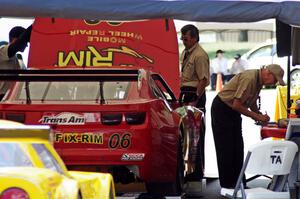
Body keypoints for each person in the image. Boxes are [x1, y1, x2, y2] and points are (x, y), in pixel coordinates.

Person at [211, 64, 285, 189]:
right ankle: (228, 186)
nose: (275, 83)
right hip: (222, 109)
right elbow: (237, 105)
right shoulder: (250, 78)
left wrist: (258, 114)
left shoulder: (258, 81)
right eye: (275, 79)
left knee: (238, 148)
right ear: (268, 74)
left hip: (231, 110)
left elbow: (252, 102)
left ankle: (239, 184)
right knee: (226, 149)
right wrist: (256, 117)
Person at [179, 24, 210, 180]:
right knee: (186, 135)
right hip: (186, 94)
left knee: (195, 135)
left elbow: (203, 80)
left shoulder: (199, 55)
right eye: (182, 38)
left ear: (194, 38)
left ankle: (196, 173)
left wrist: (195, 101)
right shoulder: (186, 52)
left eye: (185, 38)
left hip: (195, 96)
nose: (183, 41)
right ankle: (188, 171)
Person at [0, 25, 32, 99]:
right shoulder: (2, 51)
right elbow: (16, 46)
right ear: (15, 40)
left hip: (7, 97)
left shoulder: (16, 61)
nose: (26, 45)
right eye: (25, 42)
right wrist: (33, 26)